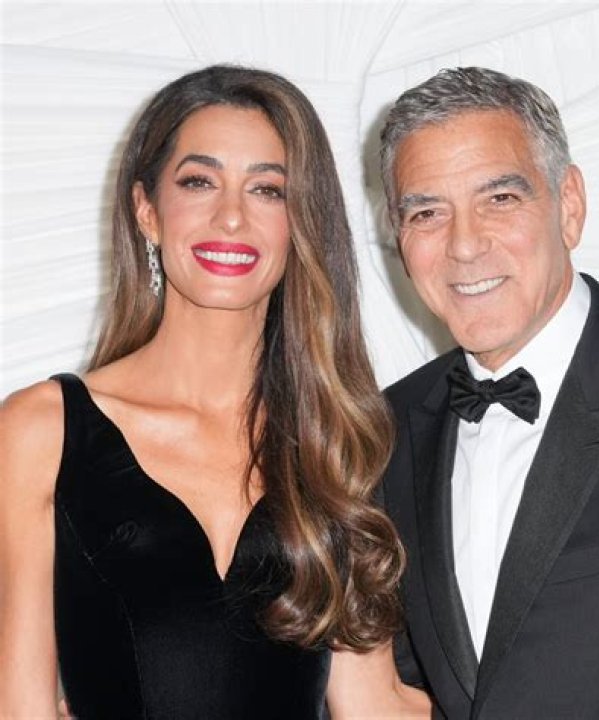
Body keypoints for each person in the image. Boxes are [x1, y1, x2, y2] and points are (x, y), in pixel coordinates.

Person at [0, 65, 430, 719]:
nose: (231, 217)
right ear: (147, 211)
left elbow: (371, 706)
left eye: (267, 190)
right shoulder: (42, 432)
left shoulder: (332, 441)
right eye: (199, 182)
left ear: (300, 223)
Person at [378, 66, 599, 719]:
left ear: (569, 205)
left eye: (500, 198)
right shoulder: (384, 431)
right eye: (427, 212)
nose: (464, 245)